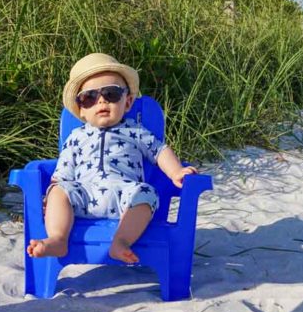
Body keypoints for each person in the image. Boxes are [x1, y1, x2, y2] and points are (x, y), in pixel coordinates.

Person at [27, 53, 198, 264]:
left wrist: (176, 171)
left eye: (111, 93)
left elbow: (160, 151)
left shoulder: (135, 130)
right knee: (59, 191)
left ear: (127, 102)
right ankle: (58, 239)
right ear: (81, 110)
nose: (101, 100)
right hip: (83, 195)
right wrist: (52, 195)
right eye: (89, 97)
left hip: (124, 194)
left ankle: (121, 241)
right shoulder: (76, 136)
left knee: (146, 193)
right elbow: (64, 168)